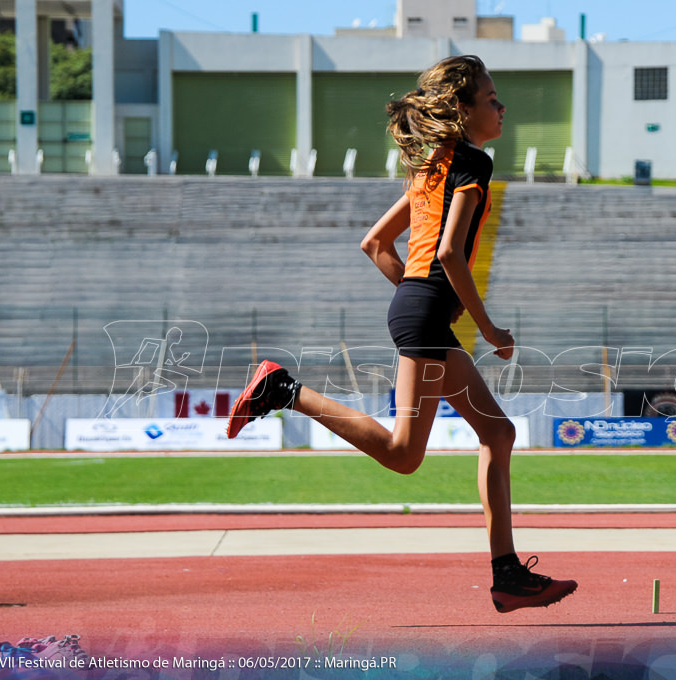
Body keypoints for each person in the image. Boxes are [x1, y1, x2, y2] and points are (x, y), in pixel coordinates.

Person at [226, 55, 577, 613]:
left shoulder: (430, 166)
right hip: (423, 314)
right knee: (403, 454)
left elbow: (375, 244)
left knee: (498, 434)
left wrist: (418, 300)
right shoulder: (471, 164)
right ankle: (283, 390)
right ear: (462, 110)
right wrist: (487, 329)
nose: (501, 106)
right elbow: (447, 255)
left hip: (420, 311)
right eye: (491, 98)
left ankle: (508, 575)